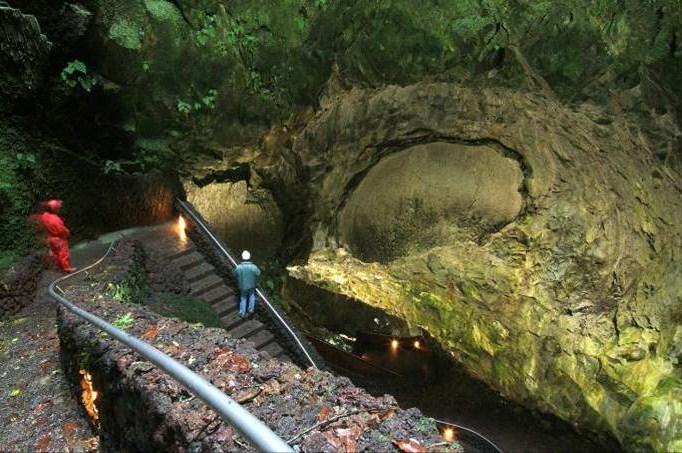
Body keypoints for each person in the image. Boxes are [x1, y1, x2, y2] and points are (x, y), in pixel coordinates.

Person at [37, 199, 76, 273]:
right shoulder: (55, 219)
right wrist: (67, 232)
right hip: (59, 239)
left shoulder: (45, 216)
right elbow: (61, 230)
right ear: (55, 209)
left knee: (56, 254)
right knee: (63, 253)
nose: (60, 209)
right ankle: (67, 268)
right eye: (59, 208)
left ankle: (60, 267)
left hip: (50, 238)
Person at [233, 250, 261, 318]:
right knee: (252, 296)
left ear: (242, 258)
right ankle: (251, 310)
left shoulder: (239, 267)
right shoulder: (253, 267)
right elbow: (258, 273)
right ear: (249, 257)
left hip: (242, 285)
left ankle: (242, 312)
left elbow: (235, 274)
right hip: (251, 285)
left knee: (243, 298)